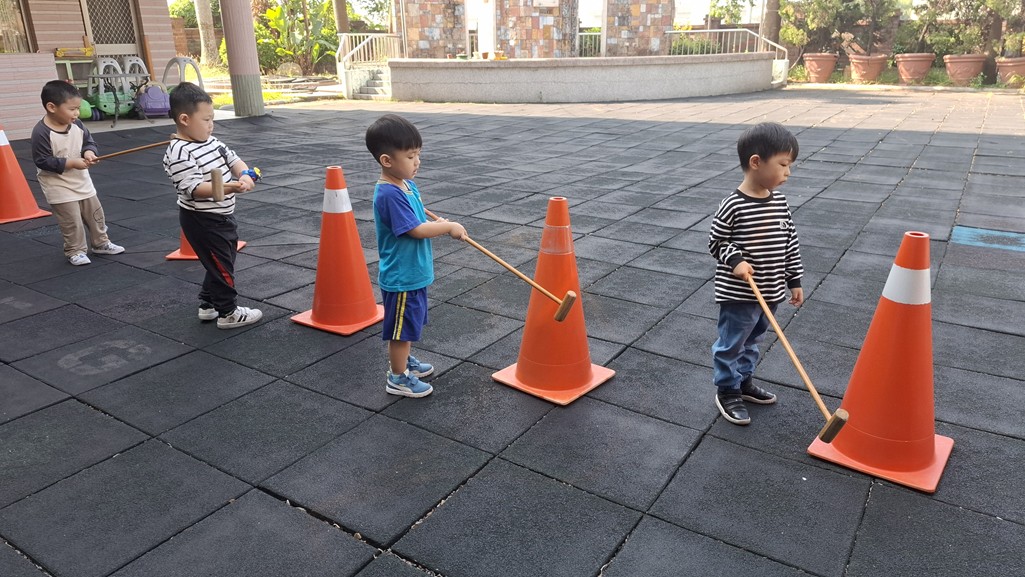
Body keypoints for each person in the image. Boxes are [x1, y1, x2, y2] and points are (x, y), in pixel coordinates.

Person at [709, 122, 805, 425]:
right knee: (732, 343)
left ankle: (743, 381)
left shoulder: (780, 203)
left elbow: (790, 241)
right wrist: (736, 260)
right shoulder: (733, 205)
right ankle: (727, 389)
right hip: (740, 294)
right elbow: (717, 241)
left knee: (753, 341)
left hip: (770, 290)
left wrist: (794, 279)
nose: (788, 172)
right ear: (756, 162)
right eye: (783, 164)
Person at [366, 114, 466, 398]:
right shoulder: (389, 194)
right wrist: (447, 227)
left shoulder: (406, 185)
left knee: (409, 324)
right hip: (402, 276)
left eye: (418, 154)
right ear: (387, 160)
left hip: (413, 272)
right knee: (400, 330)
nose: (417, 161)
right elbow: (416, 230)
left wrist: (438, 222)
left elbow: (418, 218)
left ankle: (404, 361)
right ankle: (397, 377)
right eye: (410, 156)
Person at [163, 82, 261, 329]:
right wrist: (229, 187)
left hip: (222, 215)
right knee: (221, 264)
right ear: (185, 119)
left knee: (220, 261)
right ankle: (228, 312)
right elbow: (194, 188)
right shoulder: (179, 153)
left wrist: (245, 174)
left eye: (212, 119)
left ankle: (208, 303)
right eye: (206, 120)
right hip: (202, 220)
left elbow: (234, 159)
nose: (211, 125)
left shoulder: (212, 142)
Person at [31, 80, 124, 266]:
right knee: (71, 221)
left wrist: (89, 152)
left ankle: (101, 243)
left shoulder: (78, 125)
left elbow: (89, 142)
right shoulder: (41, 132)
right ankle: (75, 250)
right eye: (72, 109)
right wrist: (71, 163)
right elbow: (42, 160)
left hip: (82, 181)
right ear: (51, 107)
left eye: (78, 109)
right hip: (58, 186)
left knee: (96, 214)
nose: (77, 113)